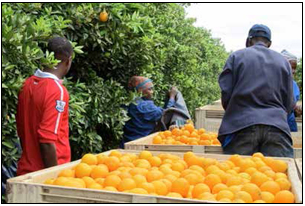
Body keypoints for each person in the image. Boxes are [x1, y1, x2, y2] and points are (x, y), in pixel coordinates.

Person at [218, 24, 294, 158]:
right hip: (276, 126)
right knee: (278, 175)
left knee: (237, 175)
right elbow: (289, 103)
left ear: (248, 41)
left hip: (241, 125)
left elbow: (226, 95)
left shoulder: (236, 57)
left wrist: (236, 112)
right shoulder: (283, 62)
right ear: (269, 43)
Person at [16, 37, 73, 176]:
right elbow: (47, 140)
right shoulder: (57, 91)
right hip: (43, 176)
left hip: (25, 170)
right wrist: (53, 178)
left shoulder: (27, 84)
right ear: (68, 61)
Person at [121, 76, 178, 147]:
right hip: (140, 144)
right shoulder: (143, 106)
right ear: (140, 90)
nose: (152, 92)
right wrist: (172, 96)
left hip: (127, 142)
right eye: (150, 89)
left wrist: (168, 99)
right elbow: (166, 113)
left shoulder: (127, 101)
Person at [281, 50, 302, 132]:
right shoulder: (274, 82)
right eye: (291, 67)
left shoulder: (294, 85)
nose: (293, 71)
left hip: (290, 124)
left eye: (295, 68)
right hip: (278, 124)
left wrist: (298, 109)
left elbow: (295, 106)